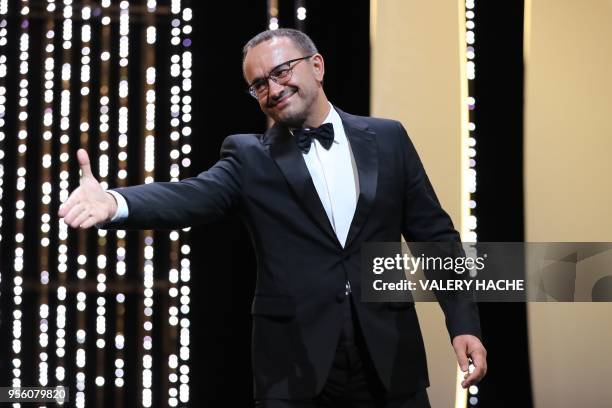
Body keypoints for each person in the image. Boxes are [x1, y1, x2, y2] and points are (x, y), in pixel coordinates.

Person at [58, 28, 486, 407]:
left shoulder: (389, 138)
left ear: (316, 66)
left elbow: (435, 237)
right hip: (293, 366)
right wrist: (115, 203)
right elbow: (191, 195)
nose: (273, 88)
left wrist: (463, 322)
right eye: (259, 84)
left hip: (390, 356)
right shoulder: (249, 156)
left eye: (281, 71)